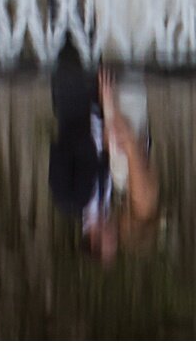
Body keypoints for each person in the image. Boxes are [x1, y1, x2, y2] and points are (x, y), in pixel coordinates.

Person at [48, 42, 160, 263]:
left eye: (111, 243)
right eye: (117, 242)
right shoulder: (125, 196)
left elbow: (58, 148)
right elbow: (131, 146)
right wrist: (107, 106)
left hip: (77, 97)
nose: (116, 236)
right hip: (108, 92)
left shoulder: (69, 200)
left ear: (93, 240)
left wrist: (97, 130)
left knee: (67, 36)